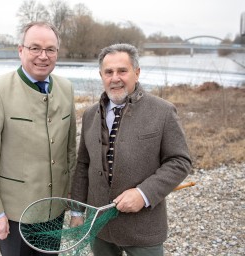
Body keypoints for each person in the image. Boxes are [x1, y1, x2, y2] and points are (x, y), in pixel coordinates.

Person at [70, 43, 192, 256]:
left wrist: (143, 193)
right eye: (109, 72)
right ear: (101, 75)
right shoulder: (90, 115)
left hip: (143, 228)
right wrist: (77, 211)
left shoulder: (162, 111)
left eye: (122, 71)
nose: (115, 78)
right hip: (99, 227)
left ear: (136, 72)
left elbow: (180, 161)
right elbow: (83, 165)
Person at [0, 21, 77, 256]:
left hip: (54, 209)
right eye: (35, 48)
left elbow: (70, 150)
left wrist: (72, 196)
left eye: (50, 49)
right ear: (21, 50)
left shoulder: (66, 87)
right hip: (15, 214)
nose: (43, 56)